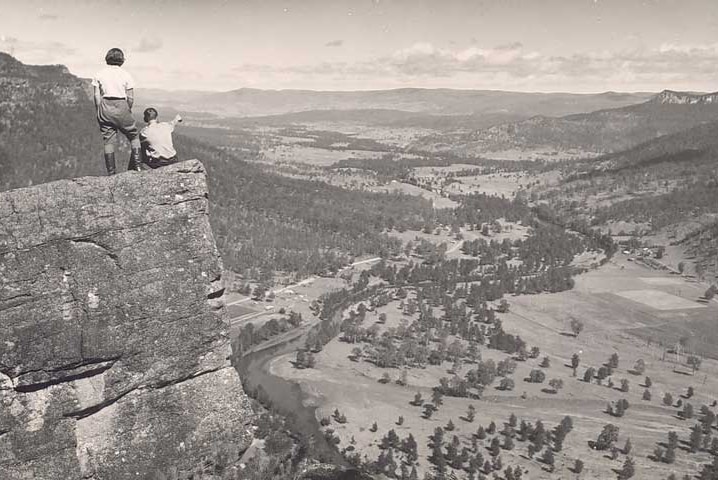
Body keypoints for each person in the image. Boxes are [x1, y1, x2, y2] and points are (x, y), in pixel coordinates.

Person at [92, 48, 141, 174]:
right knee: (134, 135)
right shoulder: (126, 74)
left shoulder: (99, 74)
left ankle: (111, 173)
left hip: (105, 106)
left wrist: (99, 110)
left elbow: (97, 96)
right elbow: (130, 97)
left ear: (107, 58)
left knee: (108, 140)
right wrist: (127, 109)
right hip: (121, 105)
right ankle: (138, 167)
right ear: (122, 60)